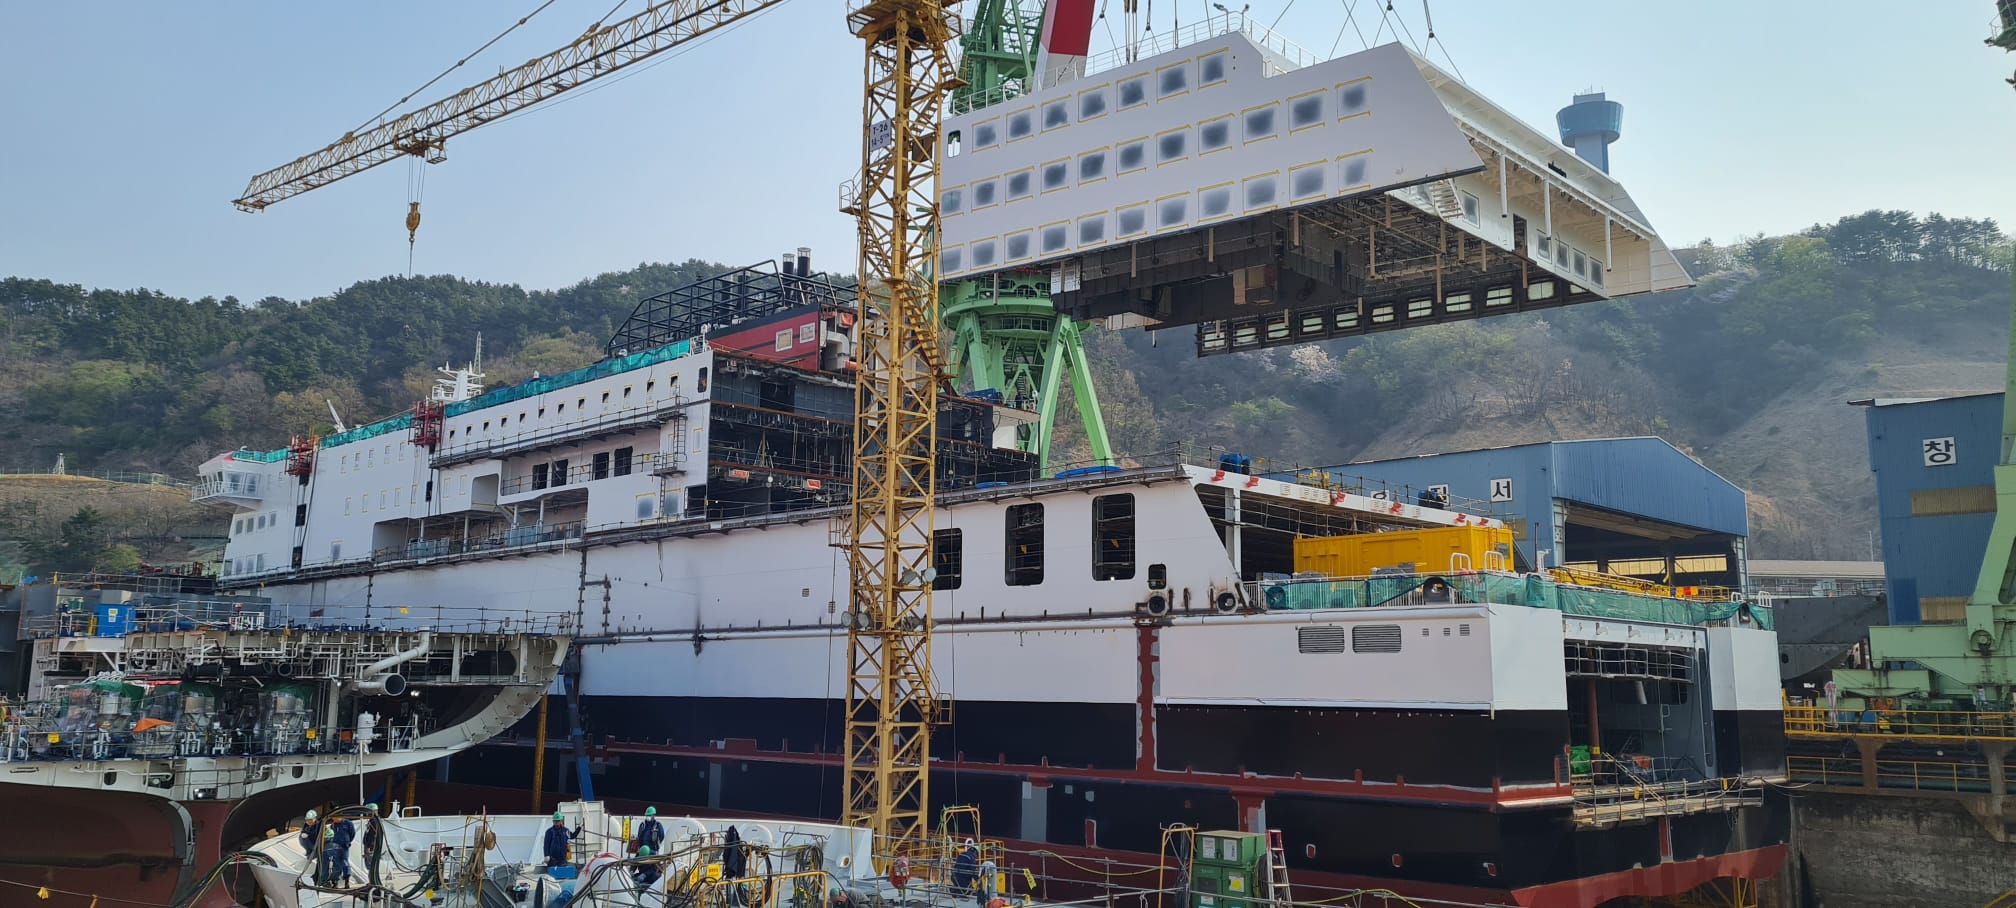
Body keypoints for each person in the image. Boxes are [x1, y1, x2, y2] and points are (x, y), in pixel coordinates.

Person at [330, 812, 357, 885]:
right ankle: (335, 881)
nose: (334, 819)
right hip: (335, 847)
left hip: (344, 846)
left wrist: (347, 841)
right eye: (333, 817)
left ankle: (347, 879)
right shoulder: (332, 826)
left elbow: (352, 833)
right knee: (336, 864)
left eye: (335, 817)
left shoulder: (348, 823)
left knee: (345, 862)